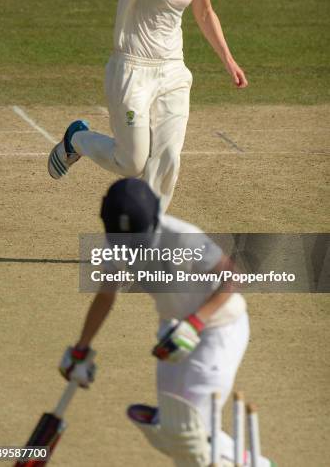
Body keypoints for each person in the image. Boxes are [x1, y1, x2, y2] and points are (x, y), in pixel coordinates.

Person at [48, 0, 248, 212]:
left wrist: (229, 61)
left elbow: (205, 12)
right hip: (132, 69)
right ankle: (77, 139)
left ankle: (145, 234)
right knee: (133, 163)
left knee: (168, 157)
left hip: (172, 70)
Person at [59, 178, 274, 466]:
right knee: (173, 431)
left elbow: (233, 277)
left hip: (219, 328)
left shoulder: (184, 237)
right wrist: (80, 349)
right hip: (173, 333)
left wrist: (196, 323)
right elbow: (106, 296)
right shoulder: (116, 245)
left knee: (188, 430)